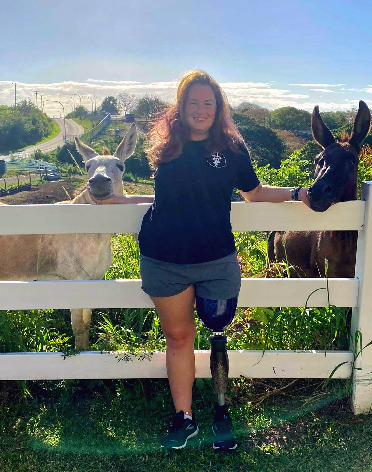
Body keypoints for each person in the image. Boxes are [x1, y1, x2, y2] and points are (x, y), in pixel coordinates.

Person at [90, 69, 310, 451]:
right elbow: (165, 201)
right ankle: (184, 418)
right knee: (178, 336)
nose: (200, 109)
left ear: (218, 107)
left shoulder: (231, 150)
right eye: (193, 102)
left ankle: (222, 414)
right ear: (181, 107)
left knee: (218, 329)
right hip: (164, 258)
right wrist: (121, 200)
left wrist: (297, 191)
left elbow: (254, 194)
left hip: (216, 258)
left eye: (208, 102)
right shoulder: (167, 147)